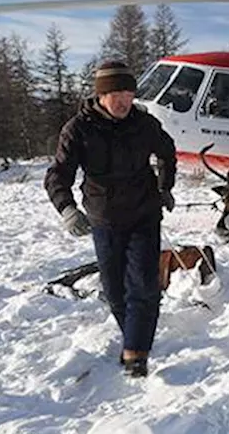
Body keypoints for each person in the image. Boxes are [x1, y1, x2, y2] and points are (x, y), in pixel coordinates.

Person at [44, 60, 177, 377]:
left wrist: (165, 187)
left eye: (129, 93)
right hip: (104, 219)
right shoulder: (79, 129)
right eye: (116, 93)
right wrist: (67, 209)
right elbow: (57, 175)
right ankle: (135, 335)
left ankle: (136, 354)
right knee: (115, 291)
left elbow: (167, 151)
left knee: (143, 285)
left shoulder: (144, 125)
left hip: (144, 213)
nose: (123, 100)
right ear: (101, 95)